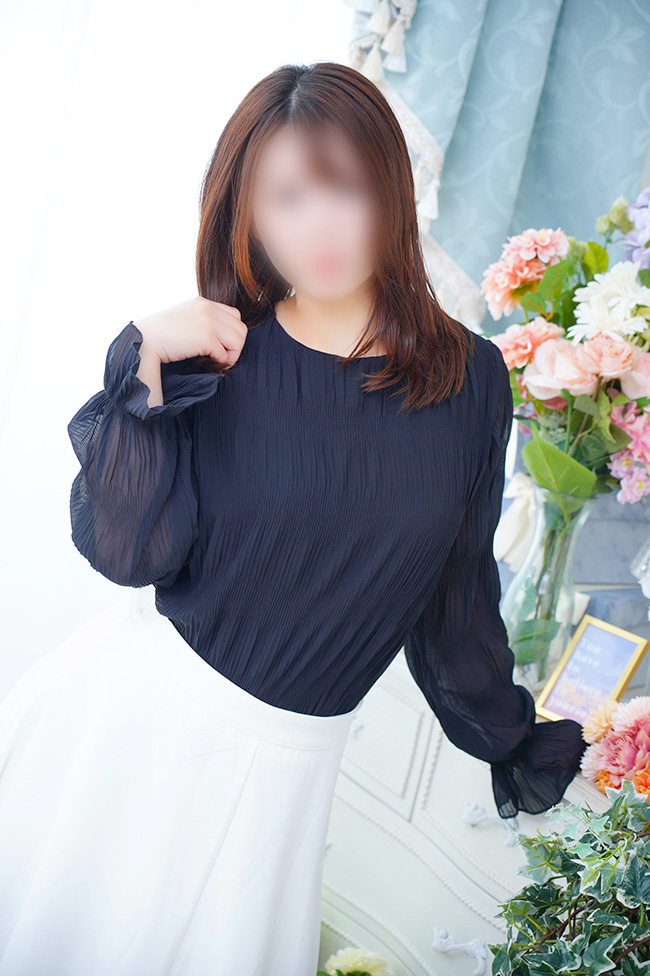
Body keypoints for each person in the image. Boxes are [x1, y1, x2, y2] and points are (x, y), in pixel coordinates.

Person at [0, 61, 586, 976]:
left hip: (294, 771)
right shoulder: (220, 354)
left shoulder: (471, 381)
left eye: (345, 187)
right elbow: (128, 552)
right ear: (248, 213)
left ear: (390, 190)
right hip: (134, 738)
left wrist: (517, 741)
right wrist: (142, 361)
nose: (319, 226)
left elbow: (455, 598)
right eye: (287, 198)